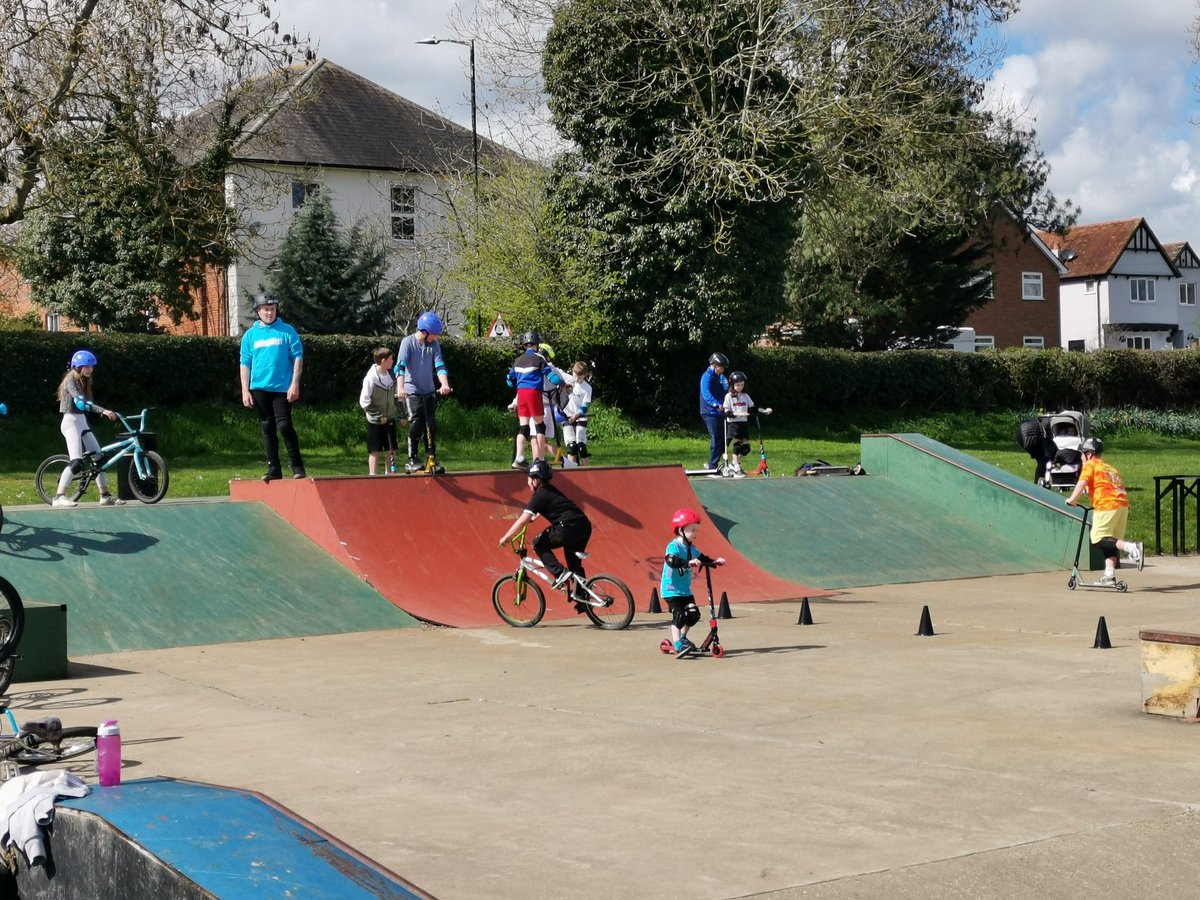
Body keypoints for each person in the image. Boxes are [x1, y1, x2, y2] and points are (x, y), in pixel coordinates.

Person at [497, 459, 593, 610]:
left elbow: (522, 520)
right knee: (574, 563)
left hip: (567, 526)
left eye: (529, 479)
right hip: (583, 526)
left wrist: (506, 538)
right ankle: (583, 599)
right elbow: (556, 506)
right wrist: (535, 517)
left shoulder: (539, 495)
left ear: (535, 480)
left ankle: (559, 573)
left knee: (538, 543)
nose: (528, 482)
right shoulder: (551, 491)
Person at [239, 292, 306, 482]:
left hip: (282, 388)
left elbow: (297, 357)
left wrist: (295, 384)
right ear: (258, 311)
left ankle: (297, 466)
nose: (269, 313)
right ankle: (273, 468)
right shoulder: (250, 336)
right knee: (267, 427)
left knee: (284, 425)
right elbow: (245, 363)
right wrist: (245, 389)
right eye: (266, 310)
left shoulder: (287, 331)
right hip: (259, 387)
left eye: (272, 309)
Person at [51, 349, 124, 508]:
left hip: (81, 421)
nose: (90, 370)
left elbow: (84, 404)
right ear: (77, 366)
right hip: (70, 422)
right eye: (86, 367)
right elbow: (81, 402)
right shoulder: (71, 380)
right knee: (76, 462)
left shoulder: (84, 380)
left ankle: (105, 496)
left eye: (91, 367)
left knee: (100, 459)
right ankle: (59, 497)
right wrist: (103, 411)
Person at [1065, 437, 1143, 582]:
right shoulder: (1108, 467)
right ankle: (1109, 575)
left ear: (1089, 453)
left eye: (1082, 453)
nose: (1081, 456)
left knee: (1098, 540)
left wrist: (1072, 500)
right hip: (1122, 506)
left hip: (1107, 505)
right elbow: (1097, 487)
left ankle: (1132, 547)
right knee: (1110, 541)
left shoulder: (1090, 465)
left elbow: (1082, 483)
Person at [660, 508, 725, 658]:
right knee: (680, 615)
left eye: (697, 530)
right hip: (671, 590)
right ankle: (677, 644)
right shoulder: (674, 546)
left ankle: (683, 637)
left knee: (694, 615)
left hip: (685, 590)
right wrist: (687, 563)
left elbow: (703, 558)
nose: (696, 533)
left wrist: (715, 562)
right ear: (681, 530)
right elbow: (670, 560)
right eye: (693, 530)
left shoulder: (692, 549)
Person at [394, 311, 452, 474]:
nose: (436, 338)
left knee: (431, 425)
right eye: (434, 335)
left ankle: (431, 458)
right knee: (417, 423)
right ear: (424, 332)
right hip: (412, 392)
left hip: (429, 391)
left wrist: (444, 384)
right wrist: (400, 387)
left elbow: (439, 365)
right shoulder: (408, 342)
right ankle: (411, 459)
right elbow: (400, 366)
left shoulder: (433, 345)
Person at [507, 331, 561, 468]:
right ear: (537, 345)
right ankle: (540, 458)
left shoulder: (517, 360)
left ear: (524, 345)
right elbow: (550, 375)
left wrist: (517, 384)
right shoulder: (539, 358)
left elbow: (509, 379)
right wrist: (560, 383)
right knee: (539, 425)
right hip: (534, 392)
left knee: (523, 426)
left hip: (521, 393)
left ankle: (519, 458)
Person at [721, 371, 772, 477]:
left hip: (743, 424)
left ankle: (734, 464)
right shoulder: (728, 397)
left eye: (742, 385)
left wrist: (764, 410)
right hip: (733, 424)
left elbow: (753, 408)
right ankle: (736, 466)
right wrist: (739, 413)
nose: (740, 387)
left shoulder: (745, 396)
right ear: (732, 385)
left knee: (746, 448)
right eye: (737, 385)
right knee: (737, 446)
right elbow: (726, 413)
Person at [359, 347, 401, 476]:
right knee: (375, 450)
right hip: (375, 420)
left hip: (390, 419)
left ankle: (390, 475)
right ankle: (373, 476)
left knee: (391, 449)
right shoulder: (371, 378)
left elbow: (395, 397)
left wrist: (399, 416)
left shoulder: (391, 376)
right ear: (383, 361)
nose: (393, 361)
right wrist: (378, 416)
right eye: (390, 359)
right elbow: (364, 402)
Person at [560, 361, 594, 467]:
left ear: (585, 375)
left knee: (581, 447)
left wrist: (577, 415)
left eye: (580, 377)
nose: (576, 379)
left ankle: (587, 471)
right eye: (575, 375)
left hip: (580, 418)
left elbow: (585, 406)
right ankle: (571, 469)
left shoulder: (587, 388)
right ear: (572, 372)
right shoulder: (567, 381)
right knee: (571, 447)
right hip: (567, 417)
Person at [699, 352, 729, 471]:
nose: (723, 370)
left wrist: (727, 387)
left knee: (724, 438)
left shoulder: (720, 377)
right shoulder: (707, 376)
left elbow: (725, 392)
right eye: (722, 367)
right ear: (715, 365)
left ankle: (717, 462)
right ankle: (712, 465)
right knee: (716, 437)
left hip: (720, 412)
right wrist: (716, 404)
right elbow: (706, 393)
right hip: (710, 412)